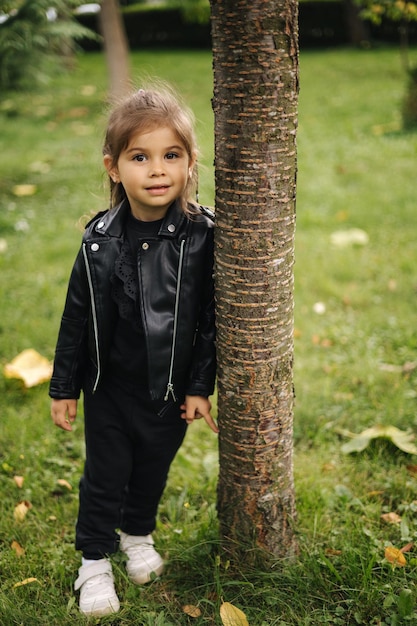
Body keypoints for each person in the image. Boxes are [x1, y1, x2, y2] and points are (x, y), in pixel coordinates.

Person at [49, 84, 217, 617]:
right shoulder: (99, 241)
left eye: (172, 155)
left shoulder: (202, 236)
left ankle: (137, 535)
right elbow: (76, 316)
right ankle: (93, 561)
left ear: (191, 163)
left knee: (151, 471)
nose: (157, 169)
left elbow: (211, 321)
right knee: (105, 475)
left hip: (168, 390)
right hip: (109, 388)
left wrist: (198, 387)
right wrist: (63, 387)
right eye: (140, 157)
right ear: (115, 167)